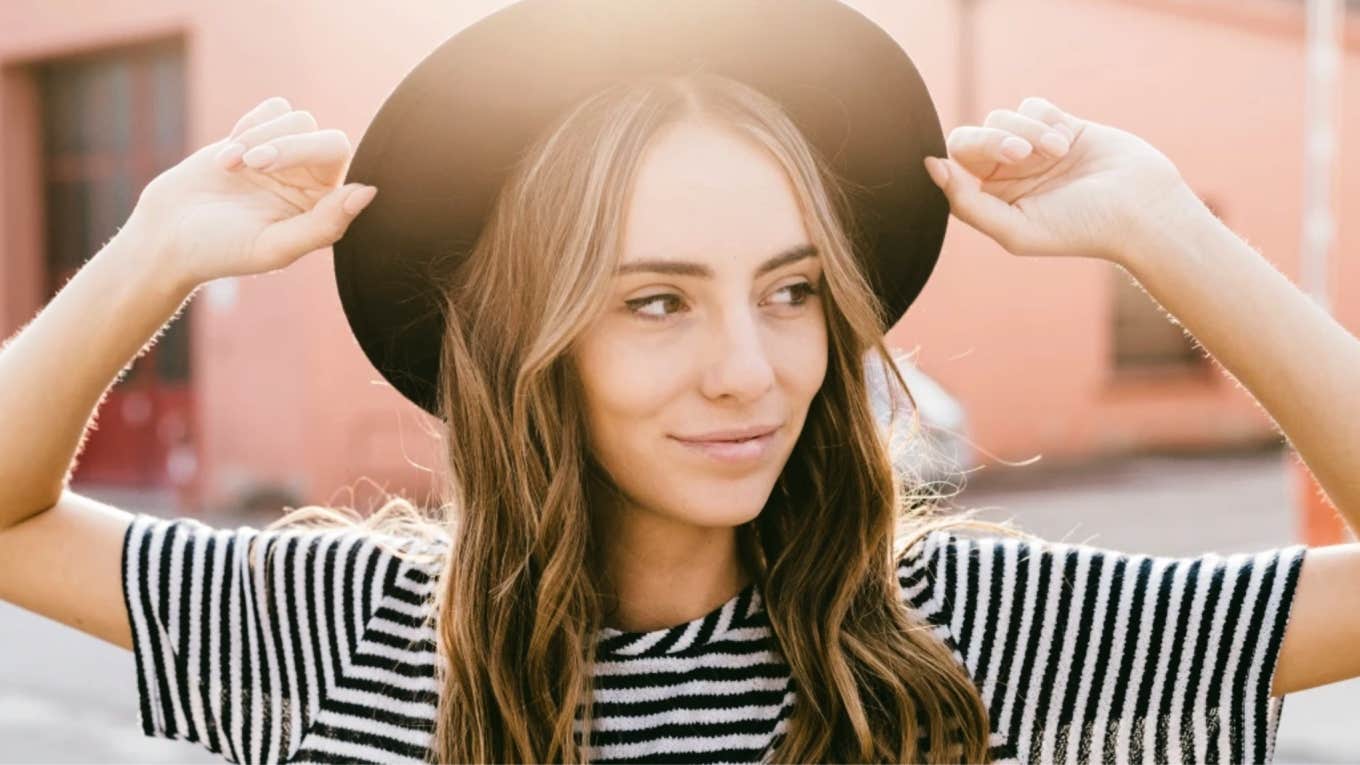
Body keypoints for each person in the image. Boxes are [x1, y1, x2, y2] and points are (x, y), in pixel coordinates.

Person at [2, 2, 1359, 763]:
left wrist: (1168, 231)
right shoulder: (352, 625)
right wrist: (153, 254)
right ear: (534, 338)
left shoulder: (967, 629)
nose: (749, 368)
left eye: (790, 289)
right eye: (656, 299)